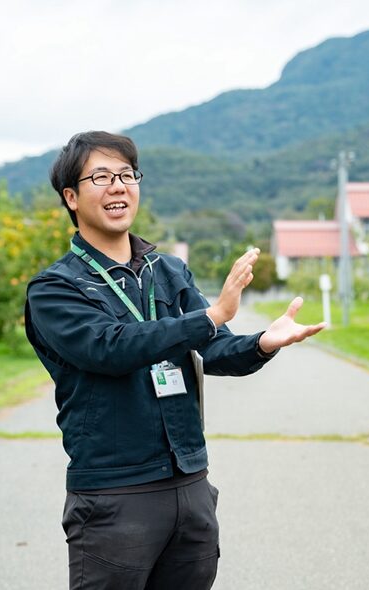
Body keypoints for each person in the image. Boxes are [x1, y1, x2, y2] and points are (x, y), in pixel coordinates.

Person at [24, 130, 325, 590]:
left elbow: (215, 349)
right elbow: (110, 348)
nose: (118, 186)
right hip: (115, 491)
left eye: (127, 174)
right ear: (71, 197)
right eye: (101, 177)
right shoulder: (55, 288)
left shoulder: (168, 271)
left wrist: (264, 342)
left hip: (189, 482)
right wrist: (211, 316)